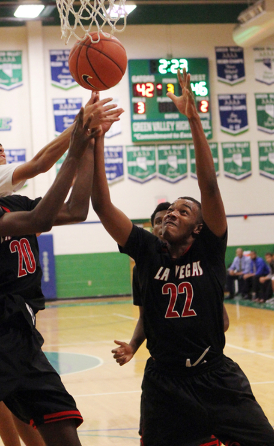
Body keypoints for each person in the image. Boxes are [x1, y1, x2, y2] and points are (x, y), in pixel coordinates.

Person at [92, 69, 274, 445]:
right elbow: (102, 204)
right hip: (165, 382)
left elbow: (208, 183)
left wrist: (193, 118)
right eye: (170, 210)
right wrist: (97, 142)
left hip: (216, 376)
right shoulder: (146, 252)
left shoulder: (209, 250)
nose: (173, 213)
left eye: (184, 211)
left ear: (198, 228)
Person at [0, 92, 122, 446]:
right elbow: (42, 216)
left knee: (59, 425)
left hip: (23, 337)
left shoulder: (10, 203)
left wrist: (92, 145)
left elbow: (74, 210)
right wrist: (77, 140)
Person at [114, 202, 227, 446]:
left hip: (202, 370)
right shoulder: (145, 266)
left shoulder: (200, 259)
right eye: (157, 221)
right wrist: (133, 345)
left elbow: (223, 320)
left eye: (171, 217)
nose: (162, 224)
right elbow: (146, 317)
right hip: (163, 373)